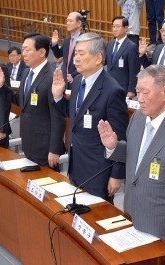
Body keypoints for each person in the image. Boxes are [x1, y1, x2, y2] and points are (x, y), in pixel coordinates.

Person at [98, 64, 165, 248]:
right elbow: (137, 157)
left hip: (161, 223)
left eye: (145, 92)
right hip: (131, 211)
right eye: (138, 91)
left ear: (164, 92)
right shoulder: (138, 117)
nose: (140, 99)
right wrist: (113, 147)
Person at [51, 32, 129, 200]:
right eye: (75, 53)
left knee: (97, 216)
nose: (75, 58)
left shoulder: (112, 90)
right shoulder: (78, 81)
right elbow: (75, 117)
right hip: (76, 162)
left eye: (81, 54)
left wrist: (117, 175)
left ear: (98, 57)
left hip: (98, 168)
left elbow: (121, 137)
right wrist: (58, 97)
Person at [0, 33, 65, 169]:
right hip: (28, 142)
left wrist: (55, 149)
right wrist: (1, 86)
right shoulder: (27, 73)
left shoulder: (52, 76)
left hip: (45, 146)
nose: (24, 54)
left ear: (42, 52)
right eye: (23, 50)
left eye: (28, 50)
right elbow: (21, 102)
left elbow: (58, 116)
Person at [105, 16, 140, 98]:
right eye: (113, 26)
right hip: (109, 85)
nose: (115, 29)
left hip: (123, 88)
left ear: (126, 28)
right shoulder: (110, 44)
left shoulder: (131, 46)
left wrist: (131, 90)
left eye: (118, 26)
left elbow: (133, 71)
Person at [50, 12, 82, 84]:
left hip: (78, 78)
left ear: (79, 23)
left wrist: (73, 75)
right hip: (64, 77)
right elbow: (58, 55)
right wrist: (54, 43)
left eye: (70, 21)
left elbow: (86, 62)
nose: (67, 23)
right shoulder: (67, 40)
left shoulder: (84, 40)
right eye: (67, 21)